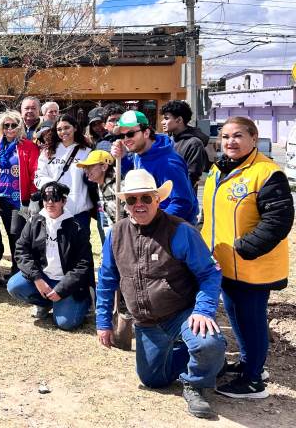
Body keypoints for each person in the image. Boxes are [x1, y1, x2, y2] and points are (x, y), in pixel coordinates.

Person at [96, 169, 226, 419]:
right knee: (152, 380)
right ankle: (209, 362)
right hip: (146, 323)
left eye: (146, 198)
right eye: (132, 199)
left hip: (181, 314)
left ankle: (196, 383)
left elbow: (209, 274)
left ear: (158, 199)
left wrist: (203, 310)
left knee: (209, 342)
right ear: (125, 203)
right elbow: (106, 280)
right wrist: (103, 322)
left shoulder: (181, 231)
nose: (139, 204)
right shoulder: (115, 234)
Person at [201, 117, 293, 399]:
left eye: (238, 135)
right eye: (225, 136)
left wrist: (245, 247)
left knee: (251, 321)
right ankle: (250, 363)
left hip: (252, 267)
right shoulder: (220, 170)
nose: (230, 141)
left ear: (254, 138)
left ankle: (254, 382)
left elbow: (279, 219)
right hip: (225, 265)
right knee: (237, 317)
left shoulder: (266, 172)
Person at [7, 182, 94, 330]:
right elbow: (21, 250)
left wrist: (62, 289)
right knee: (14, 286)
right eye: (46, 198)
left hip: (67, 284)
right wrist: (37, 278)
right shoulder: (35, 221)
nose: (50, 202)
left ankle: (84, 303)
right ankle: (46, 303)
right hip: (44, 278)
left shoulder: (76, 228)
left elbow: (83, 265)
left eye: (55, 198)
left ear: (64, 201)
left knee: (65, 323)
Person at [111, 110, 198, 224]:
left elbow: (183, 202)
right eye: (122, 135)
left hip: (172, 229)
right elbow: (135, 178)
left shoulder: (168, 163)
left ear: (146, 133)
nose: (126, 139)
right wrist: (122, 158)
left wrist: (155, 225)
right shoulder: (140, 153)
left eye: (130, 134)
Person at [0, 111, 40, 276]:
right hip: (2, 198)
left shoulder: (28, 146)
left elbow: (34, 172)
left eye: (13, 125)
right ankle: (17, 267)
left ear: (19, 126)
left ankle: (21, 269)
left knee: (17, 232)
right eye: (6, 125)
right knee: (9, 232)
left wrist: (32, 197)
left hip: (20, 199)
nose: (9, 128)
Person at [35, 114, 93, 232]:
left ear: (75, 128)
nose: (63, 132)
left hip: (79, 212)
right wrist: (53, 186)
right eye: (59, 129)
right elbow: (39, 176)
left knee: (80, 249)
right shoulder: (48, 152)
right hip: (53, 209)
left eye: (67, 128)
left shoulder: (87, 152)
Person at [161, 100, 209, 194]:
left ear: (179, 120)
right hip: (164, 197)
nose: (162, 122)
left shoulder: (194, 143)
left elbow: (192, 177)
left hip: (182, 199)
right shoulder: (168, 140)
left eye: (166, 118)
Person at [76, 150, 117, 244]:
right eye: (85, 167)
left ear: (104, 167)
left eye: (90, 166)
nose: (86, 171)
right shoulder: (100, 184)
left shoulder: (118, 186)